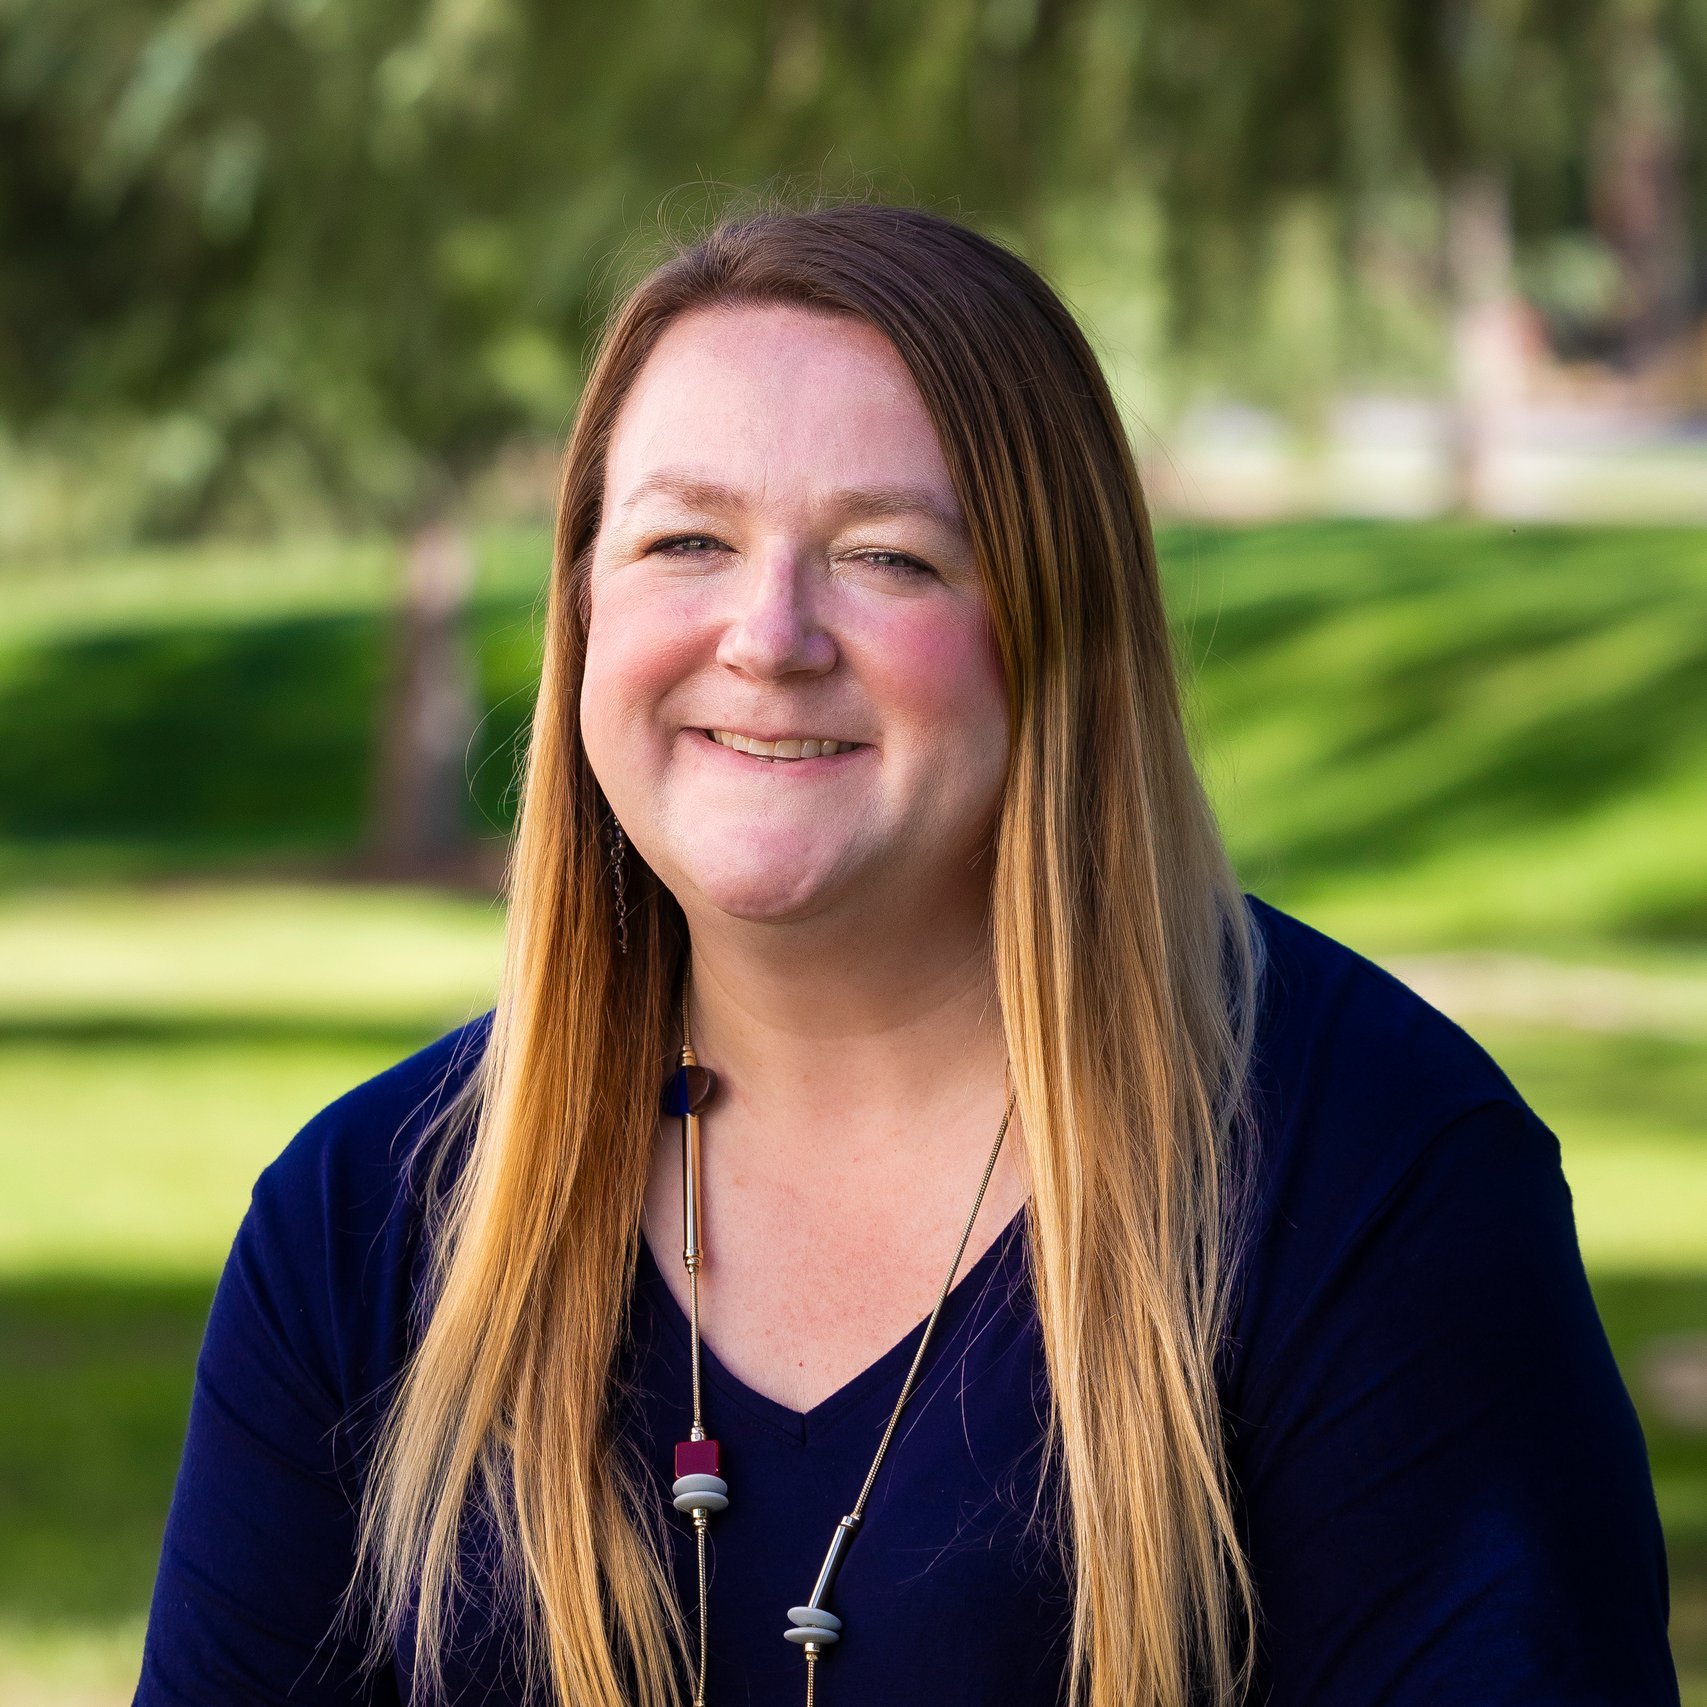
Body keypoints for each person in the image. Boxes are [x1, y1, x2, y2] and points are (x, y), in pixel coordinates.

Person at [134, 203, 1679, 1707]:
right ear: (584, 608)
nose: (770, 636)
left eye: (888, 557)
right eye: (686, 539)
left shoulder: (1372, 1178)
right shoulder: (365, 1229)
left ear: (1058, 629)